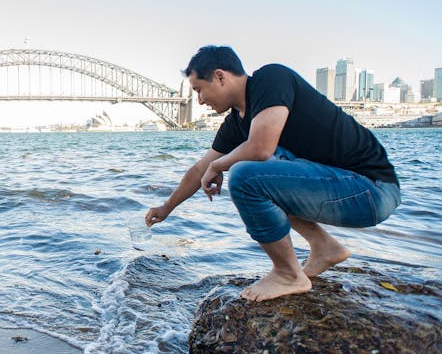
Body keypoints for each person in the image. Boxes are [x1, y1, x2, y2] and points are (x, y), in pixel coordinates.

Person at [145, 46, 401, 302]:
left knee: (246, 174)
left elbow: (260, 147)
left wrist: (219, 165)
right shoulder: (236, 124)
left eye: (199, 89)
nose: (199, 100)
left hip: (372, 190)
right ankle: (324, 247)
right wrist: (166, 207)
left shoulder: (271, 79)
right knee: (261, 169)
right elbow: (200, 168)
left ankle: (288, 274)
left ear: (220, 76)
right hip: (351, 190)